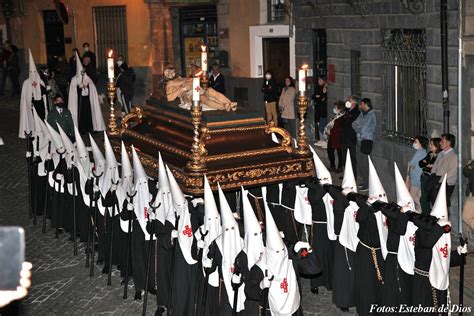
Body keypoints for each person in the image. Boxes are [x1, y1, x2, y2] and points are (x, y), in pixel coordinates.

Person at [164, 66, 237, 112]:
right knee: (202, 98)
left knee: (210, 90)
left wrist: (202, 90)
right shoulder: (170, 83)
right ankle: (223, 106)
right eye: (168, 73)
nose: (171, 73)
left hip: (197, 89)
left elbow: (194, 84)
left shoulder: (182, 78)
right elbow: (169, 98)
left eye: (171, 71)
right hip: (187, 95)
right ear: (166, 75)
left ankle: (230, 103)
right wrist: (181, 89)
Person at [67, 52, 105, 134]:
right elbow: (73, 90)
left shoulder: (87, 77)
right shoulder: (74, 79)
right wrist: (79, 87)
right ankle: (81, 129)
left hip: (87, 101)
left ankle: (90, 128)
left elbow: (92, 86)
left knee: (88, 115)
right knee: (81, 115)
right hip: (78, 102)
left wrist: (86, 86)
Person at [18, 50, 49, 138]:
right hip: (31, 104)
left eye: (34, 72)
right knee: (32, 117)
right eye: (31, 72)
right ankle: (33, 130)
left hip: (40, 103)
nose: (33, 74)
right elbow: (25, 97)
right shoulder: (26, 83)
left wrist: (44, 89)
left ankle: (43, 130)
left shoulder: (40, 81)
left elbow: (44, 94)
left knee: (41, 116)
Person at [427, 133, 458, 207]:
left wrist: (439, 180)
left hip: (446, 183)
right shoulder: (441, 153)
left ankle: (442, 218)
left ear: (449, 143)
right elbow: (435, 166)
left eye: (442, 141)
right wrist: (433, 175)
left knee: (441, 204)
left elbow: (451, 172)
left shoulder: (454, 156)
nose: (440, 143)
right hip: (437, 181)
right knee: (433, 201)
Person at [352, 98, 376, 191]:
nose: (360, 106)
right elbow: (354, 124)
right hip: (359, 139)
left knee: (365, 163)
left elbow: (363, 129)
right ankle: (364, 181)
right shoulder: (362, 114)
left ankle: (368, 183)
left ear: (366, 104)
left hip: (366, 140)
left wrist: (358, 128)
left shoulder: (371, 115)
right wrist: (358, 127)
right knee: (360, 162)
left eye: (361, 104)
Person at [418, 137, 441, 215]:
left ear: (436, 146)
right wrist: (427, 165)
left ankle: (426, 215)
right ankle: (426, 214)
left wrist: (427, 165)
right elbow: (420, 164)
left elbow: (433, 168)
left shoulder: (439, 156)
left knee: (425, 198)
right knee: (424, 197)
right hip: (424, 177)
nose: (430, 146)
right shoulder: (430, 154)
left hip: (430, 179)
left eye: (431, 144)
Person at [339, 95, 360, 181]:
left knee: (352, 159)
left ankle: (353, 176)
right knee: (344, 158)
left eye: (349, 100)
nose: (347, 101)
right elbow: (342, 121)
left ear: (354, 103)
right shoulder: (347, 111)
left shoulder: (356, 112)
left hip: (351, 138)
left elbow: (351, 123)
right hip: (344, 137)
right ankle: (346, 174)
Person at [406, 136, 428, 212]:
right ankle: (420, 211)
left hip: (416, 179)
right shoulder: (420, 152)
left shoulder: (421, 153)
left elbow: (412, 163)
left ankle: (419, 211)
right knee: (416, 196)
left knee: (412, 196)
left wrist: (410, 165)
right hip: (416, 178)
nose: (414, 143)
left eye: (416, 142)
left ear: (421, 143)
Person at [325, 101, 345, 173]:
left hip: (338, 136)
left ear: (340, 109)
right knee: (330, 150)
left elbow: (339, 127)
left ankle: (340, 167)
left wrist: (331, 130)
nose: (334, 109)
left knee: (340, 152)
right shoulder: (336, 116)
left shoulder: (342, 117)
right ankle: (332, 165)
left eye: (336, 107)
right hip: (332, 135)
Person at [312, 75, 328, 146]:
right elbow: (314, 96)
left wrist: (319, 96)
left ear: (324, 81)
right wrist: (318, 97)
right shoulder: (318, 88)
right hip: (318, 110)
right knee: (319, 125)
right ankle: (321, 139)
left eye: (320, 80)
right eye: (318, 80)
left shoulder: (325, 88)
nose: (319, 81)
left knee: (322, 126)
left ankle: (324, 140)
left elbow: (322, 98)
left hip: (323, 110)